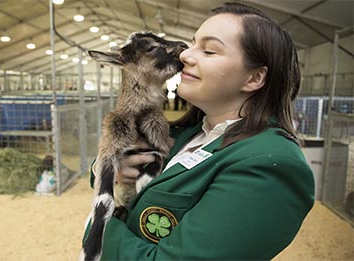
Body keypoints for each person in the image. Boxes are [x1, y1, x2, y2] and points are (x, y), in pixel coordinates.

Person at [83, 2, 314, 260]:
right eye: (193, 44)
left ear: (253, 78)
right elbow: (105, 172)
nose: (184, 55)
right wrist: (111, 171)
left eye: (209, 50)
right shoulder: (187, 132)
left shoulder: (271, 165)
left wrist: (100, 225)